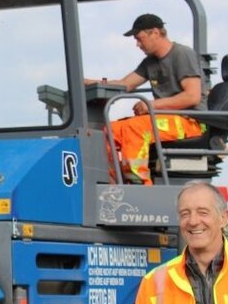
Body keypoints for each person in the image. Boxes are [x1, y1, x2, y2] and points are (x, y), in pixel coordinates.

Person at [87, 14, 207, 184]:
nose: (137, 44)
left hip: (190, 120)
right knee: (108, 131)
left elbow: (192, 96)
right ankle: (113, 183)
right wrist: (89, 82)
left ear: (155, 33)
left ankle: (140, 186)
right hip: (163, 118)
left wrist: (151, 105)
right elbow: (124, 84)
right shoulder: (150, 62)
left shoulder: (182, 54)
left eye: (139, 39)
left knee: (134, 128)